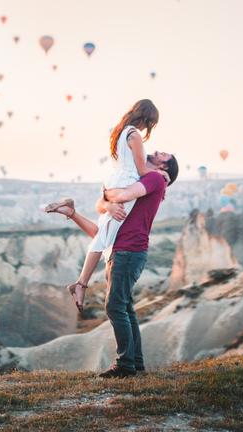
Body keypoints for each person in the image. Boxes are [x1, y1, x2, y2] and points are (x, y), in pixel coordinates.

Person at [46, 151, 179, 378]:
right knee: (125, 307)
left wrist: (107, 195)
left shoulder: (155, 179)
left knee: (115, 306)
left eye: (162, 154)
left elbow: (121, 196)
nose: (154, 151)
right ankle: (135, 363)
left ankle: (125, 364)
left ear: (164, 169)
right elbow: (102, 226)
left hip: (129, 251)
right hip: (121, 251)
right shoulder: (144, 180)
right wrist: (102, 204)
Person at [45, 99, 161, 313]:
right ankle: (80, 285)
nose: (148, 128)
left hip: (113, 181)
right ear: (147, 118)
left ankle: (71, 214)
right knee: (103, 239)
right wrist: (159, 176)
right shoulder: (134, 135)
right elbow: (143, 171)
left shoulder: (119, 132)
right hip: (126, 184)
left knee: (104, 234)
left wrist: (107, 201)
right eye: (150, 123)